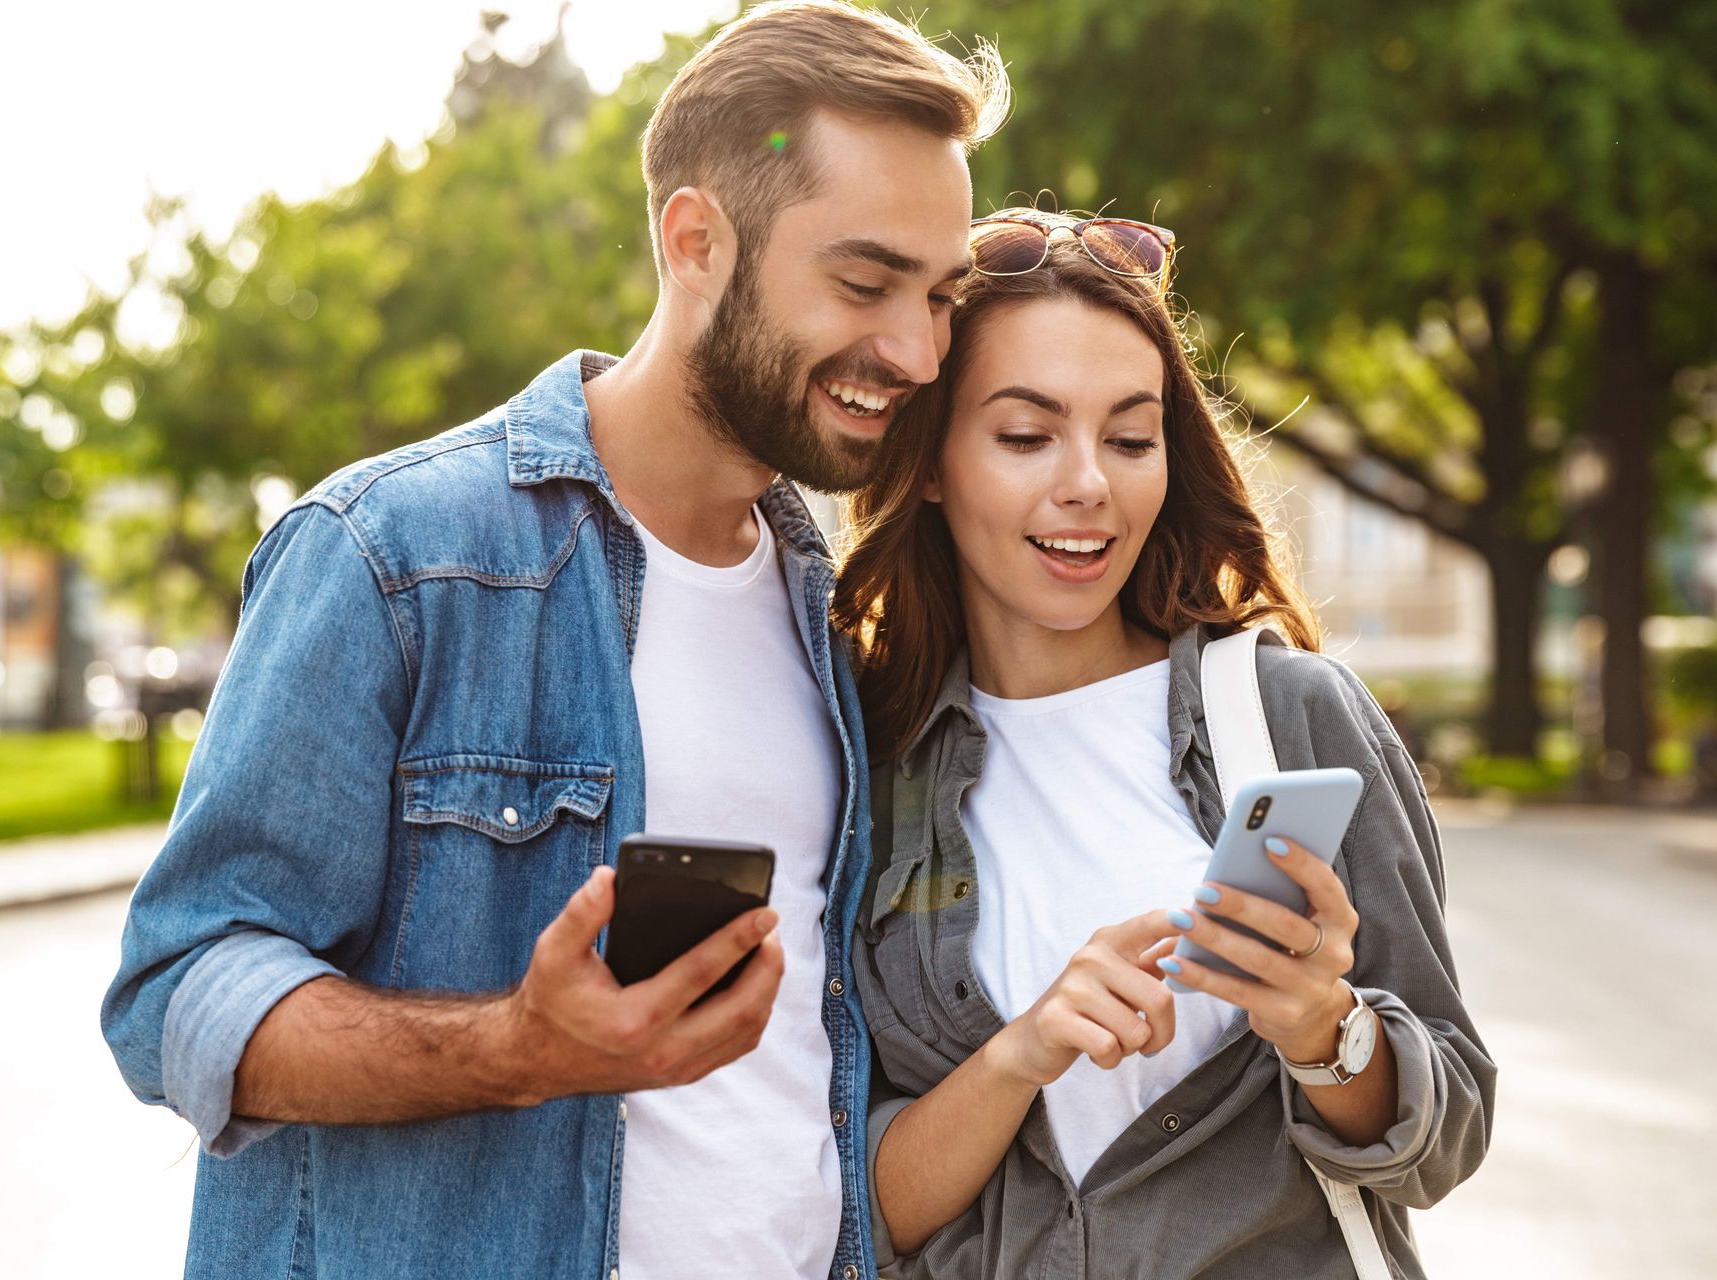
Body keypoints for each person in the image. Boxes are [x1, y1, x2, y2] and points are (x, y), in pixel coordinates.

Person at [99, 5, 1008, 1277]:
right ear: (696, 241)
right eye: (863, 283)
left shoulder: (832, 605)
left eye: (938, 294)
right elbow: (177, 988)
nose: (913, 349)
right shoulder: (391, 552)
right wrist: (521, 1045)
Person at [833, 209, 1495, 1278]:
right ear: (932, 463)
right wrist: (1023, 1052)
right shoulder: (864, 759)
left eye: (1131, 437)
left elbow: (1447, 1127)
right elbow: (857, 1211)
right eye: (1025, 434)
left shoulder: (1288, 714)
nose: (1089, 480)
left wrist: (1326, 1027)